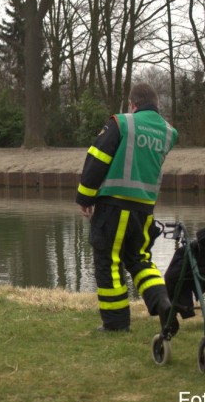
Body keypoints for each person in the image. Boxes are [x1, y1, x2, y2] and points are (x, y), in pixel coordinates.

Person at [75, 82, 178, 333]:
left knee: (108, 261)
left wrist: (85, 197)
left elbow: (98, 158)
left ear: (132, 104)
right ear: (157, 105)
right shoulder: (168, 132)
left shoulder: (122, 123)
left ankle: (115, 324)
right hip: (144, 209)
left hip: (113, 205)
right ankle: (163, 302)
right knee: (140, 259)